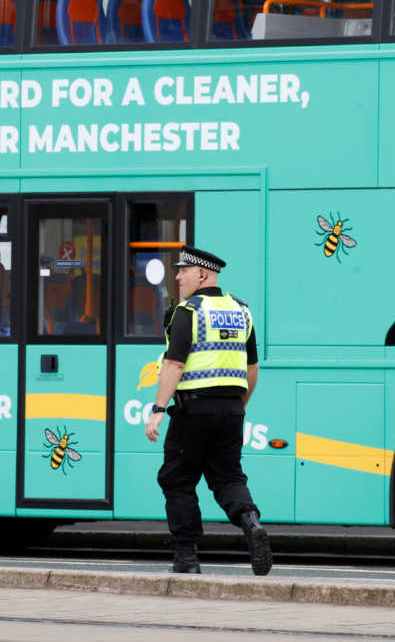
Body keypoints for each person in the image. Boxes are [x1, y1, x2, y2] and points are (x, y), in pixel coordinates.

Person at [144, 244, 271, 576]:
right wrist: (238, 406)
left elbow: (173, 364)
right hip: (231, 410)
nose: (177, 276)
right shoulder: (242, 311)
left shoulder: (189, 312)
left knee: (177, 480)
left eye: (183, 270)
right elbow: (253, 368)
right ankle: (251, 522)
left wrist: (159, 407)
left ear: (202, 274)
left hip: (193, 411)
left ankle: (186, 556)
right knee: (228, 477)